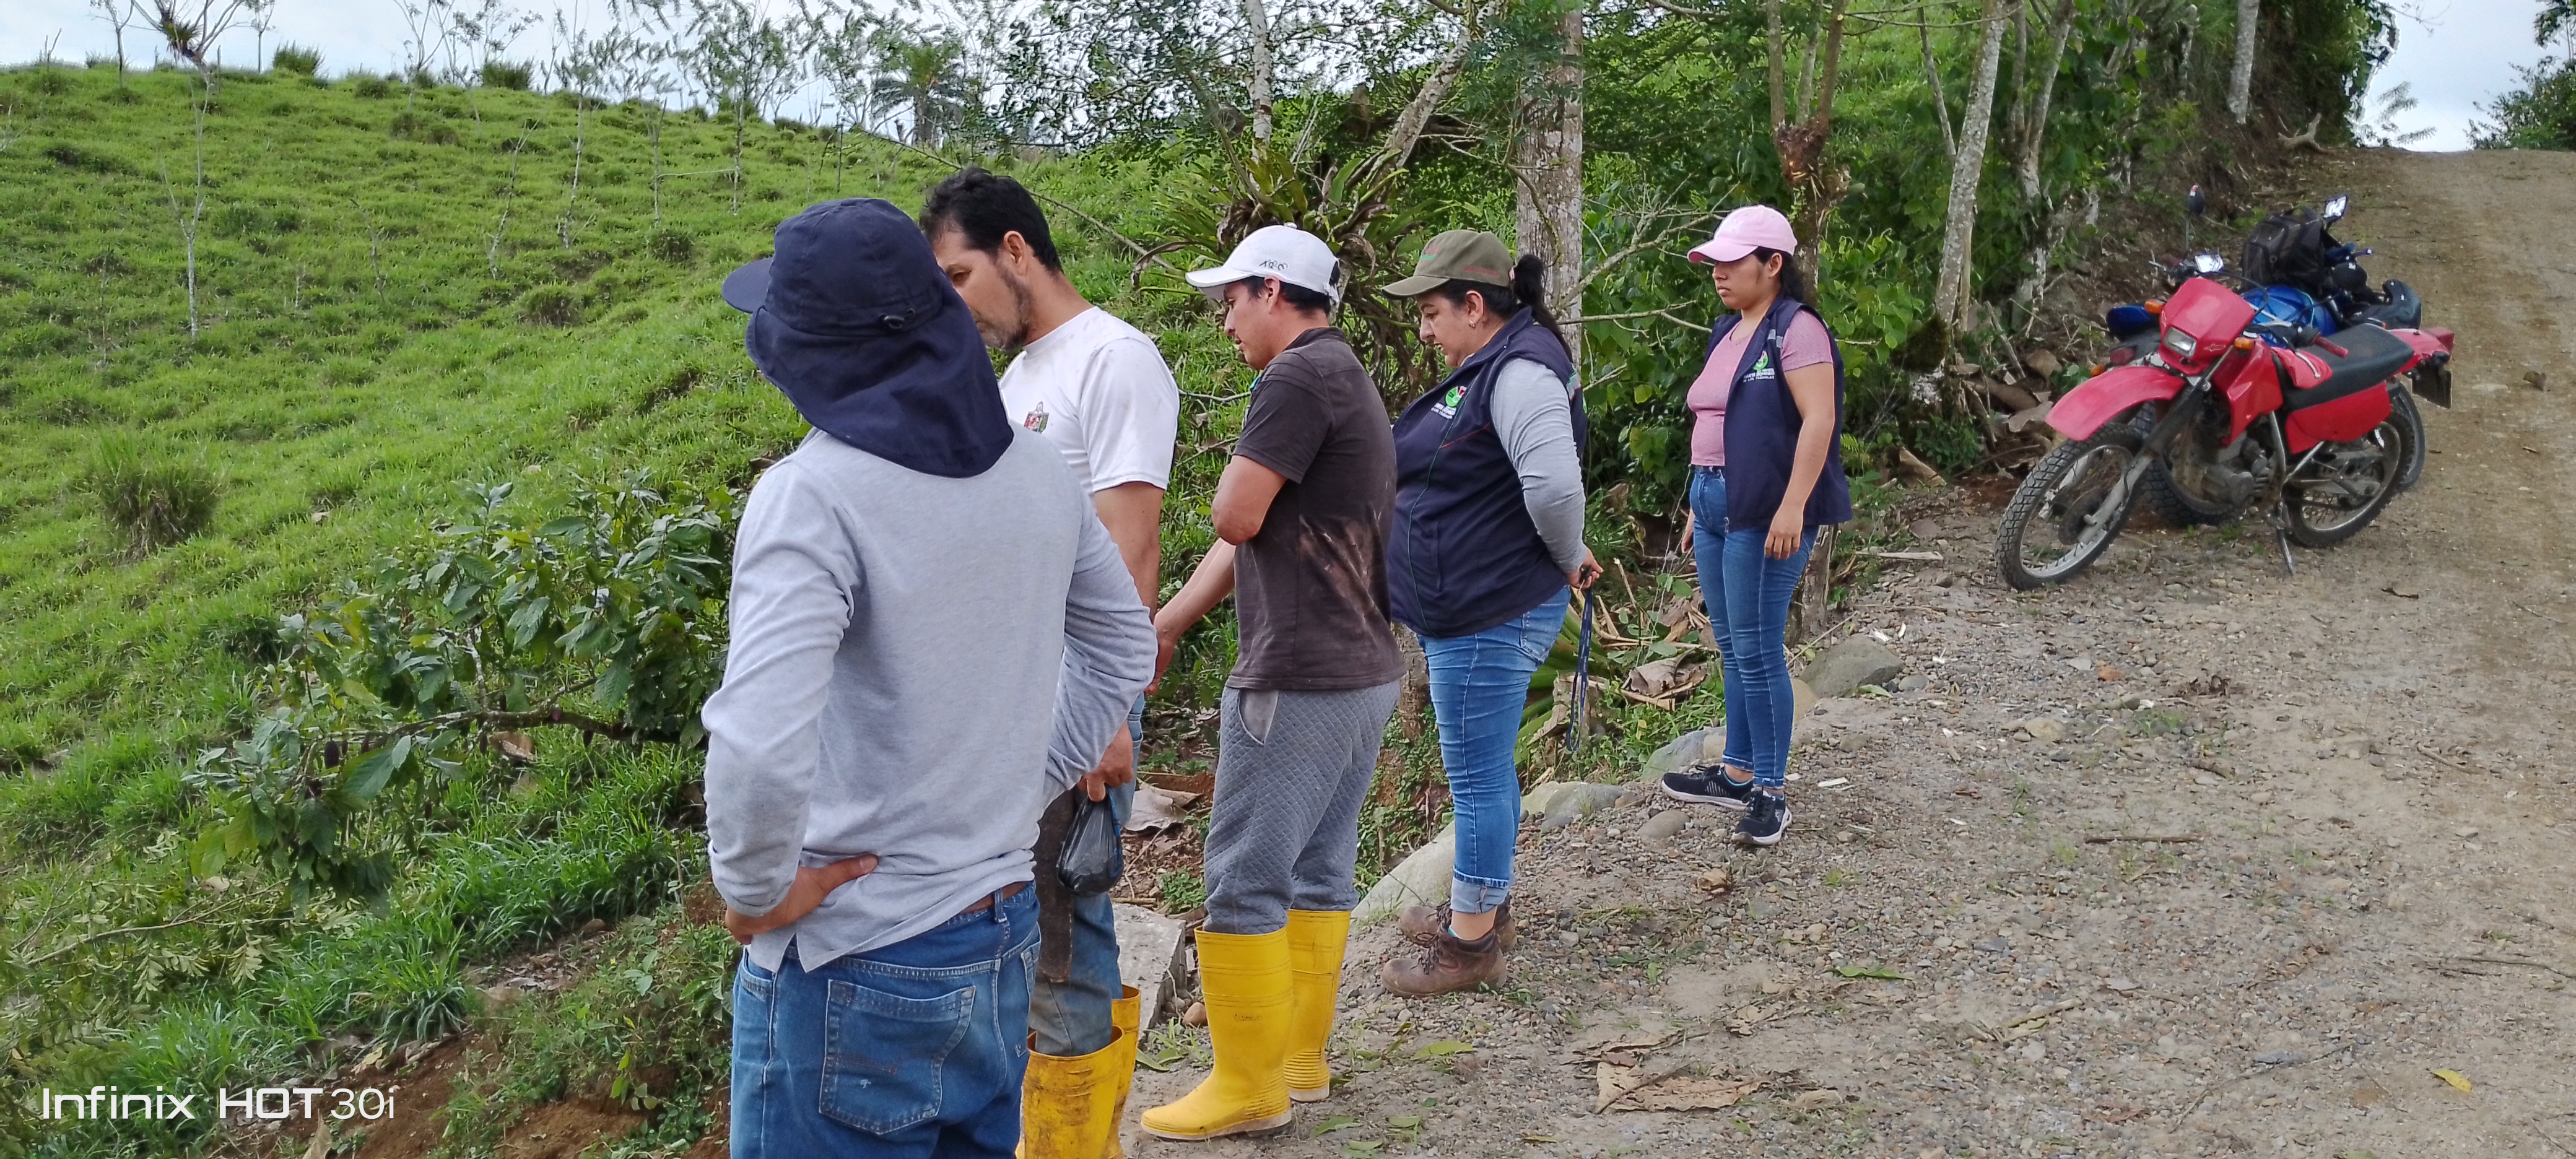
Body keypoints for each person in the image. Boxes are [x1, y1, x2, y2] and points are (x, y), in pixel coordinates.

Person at [703, 198, 1155, 1159]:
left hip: (850, 957)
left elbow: (759, 741)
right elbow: (1124, 645)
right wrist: (1024, 788)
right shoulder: (1036, 471)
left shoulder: (813, 495)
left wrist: (753, 891)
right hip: (997, 936)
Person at [920, 167, 1180, 1159]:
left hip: (1077, 703)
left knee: (1067, 942)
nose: (956, 303)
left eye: (959, 276)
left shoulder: (1113, 360)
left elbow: (1132, 546)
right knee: (1029, 941)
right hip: (1014, 706)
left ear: (1017, 249)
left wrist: (1106, 715)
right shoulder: (1019, 377)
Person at [1143, 225, 1401, 1140]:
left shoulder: (1292, 379)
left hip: (1297, 672)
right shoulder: (1346, 372)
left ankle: (1247, 1087)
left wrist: (1229, 484)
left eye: (1231, 302)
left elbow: (1234, 514)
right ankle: (1297, 1061)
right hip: (1361, 667)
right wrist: (1169, 623)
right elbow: (1254, 530)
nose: (1225, 325)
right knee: (1319, 872)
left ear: (1273, 292)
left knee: (1245, 878)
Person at [1373, 230, 1598, 996]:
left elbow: (1554, 488)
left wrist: (1565, 553)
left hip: (1487, 610)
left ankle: (1469, 945)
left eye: (1431, 313)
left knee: (1472, 780)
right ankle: (1484, 909)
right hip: (1473, 604)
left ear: (1474, 306)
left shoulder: (1520, 373)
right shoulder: (1497, 364)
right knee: (1486, 768)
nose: (1424, 330)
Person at [1656, 204, 1852, 847]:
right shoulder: (1728, 329)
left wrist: (1794, 505)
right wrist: (1697, 504)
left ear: (1772, 264)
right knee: (1733, 645)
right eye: (1713, 263)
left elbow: (1819, 420)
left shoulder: (1796, 330)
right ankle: (1737, 772)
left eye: (1731, 262)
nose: (1717, 273)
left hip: (1767, 509)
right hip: (1715, 500)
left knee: (1759, 648)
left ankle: (1770, 790)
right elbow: (1713, 420)